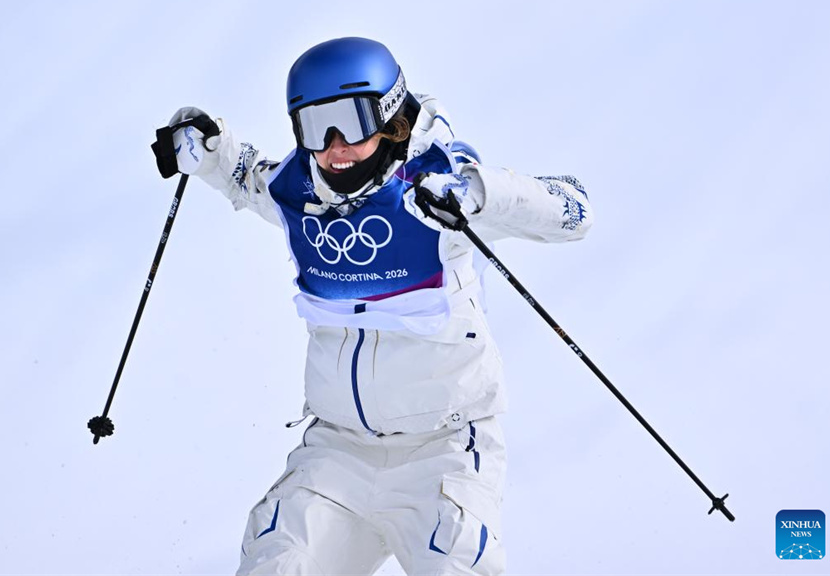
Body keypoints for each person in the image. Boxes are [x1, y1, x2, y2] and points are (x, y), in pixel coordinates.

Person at [156, 37, 592, 576]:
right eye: (315, 128)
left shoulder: (437, 192)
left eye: (350, 121)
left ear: (390, 117)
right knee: (277, 562)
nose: (335, 147)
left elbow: (576, 211)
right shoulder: (300, 193)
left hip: (443, 449)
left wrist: (483, 193)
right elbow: (247, 176)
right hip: (337, 451)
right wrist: (207, 144)